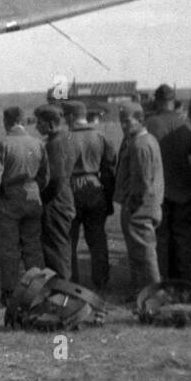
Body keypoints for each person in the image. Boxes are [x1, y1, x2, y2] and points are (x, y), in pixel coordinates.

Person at [0, 106, 48, 304]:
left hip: (8, 202)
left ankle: (9, 294)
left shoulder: (3, 143)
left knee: (9, 250)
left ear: (6, 121)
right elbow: (45, 176)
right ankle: (39, 291)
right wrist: (34, 190)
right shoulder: (37, 143)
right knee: (33, 248)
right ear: (23, 120)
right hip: (33, 200)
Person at [63, 100, 116, 292]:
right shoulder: (101, 137)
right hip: (95, 189)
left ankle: (71, 282)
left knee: (69, 239)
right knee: (98, 239)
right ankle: (101, 281)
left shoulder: (65, 138)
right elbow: (109, 172)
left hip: (71, 191)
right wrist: (108, 200)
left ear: (70, 118)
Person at [157, 96, 191, 281]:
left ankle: (165, 275)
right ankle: (188, 277)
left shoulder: (178, 132)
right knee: (188, 236)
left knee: (165, 237)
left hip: (168, 191)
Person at [114, 102, 163, 295]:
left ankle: (154, 293)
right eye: (121, 121)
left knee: (145, 253)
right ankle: (140, 293)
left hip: (140, 207)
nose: (123, 126)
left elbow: (143, 181)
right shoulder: (143, 140)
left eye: (127, 121)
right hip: (142, 205)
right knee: (137, 253)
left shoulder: (140, 144)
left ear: (140, 120)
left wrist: (132, 205)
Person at [34, 104, 78, 279]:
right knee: (62, 246)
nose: (37, 126)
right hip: (64, 199)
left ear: (51, 124)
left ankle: (61, 290)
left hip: (56, 203)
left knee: (56, 249)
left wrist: (42, 198)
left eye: (40, 122)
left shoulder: (55, 144)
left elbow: (57, 179)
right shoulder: (65, 139)